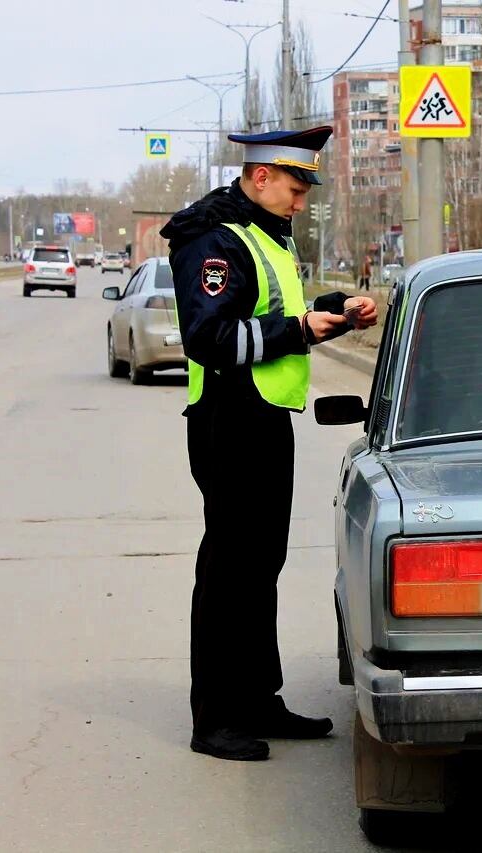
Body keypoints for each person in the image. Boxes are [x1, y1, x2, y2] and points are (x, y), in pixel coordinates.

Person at [159, 125, 379, 762]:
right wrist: (300, 327)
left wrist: (332, 309)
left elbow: (277, 315)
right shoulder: (213, 239)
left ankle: (257, 699)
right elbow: (211, 339)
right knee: (230, 569)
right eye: (293, 186)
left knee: (261, 566)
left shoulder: (262, 236)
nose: (300, 201)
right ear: (260, 178)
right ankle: (216, 719)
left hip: (264, 417)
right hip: (229, 416)